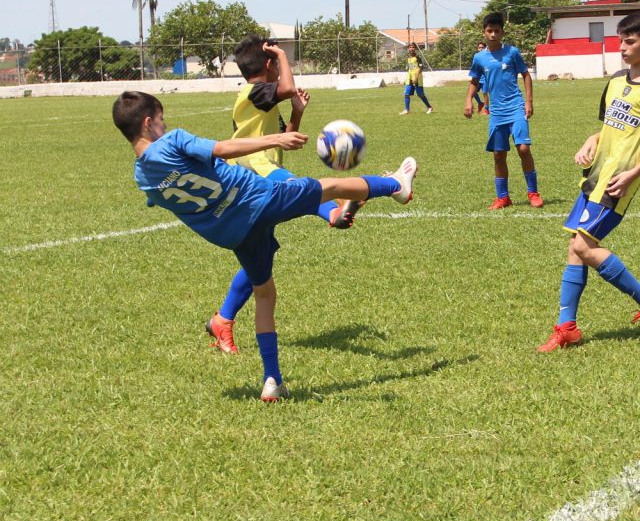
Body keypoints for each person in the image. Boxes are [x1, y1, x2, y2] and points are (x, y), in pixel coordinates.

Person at [112, 91, 417, 401]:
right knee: (329, 186)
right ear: (149, 123)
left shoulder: (142, 177)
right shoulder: (172, 141)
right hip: (254, 200)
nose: (165, 125)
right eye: (161, 120)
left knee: (265, 294)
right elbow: (222, 148)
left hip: (231, 232)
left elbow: (161, 192)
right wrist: (275, 140)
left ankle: (273, 380)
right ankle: (396, 186)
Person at [207, 35, 362, 356]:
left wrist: (297, 111)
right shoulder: (254, 92)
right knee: (298, 188)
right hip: (253, 172)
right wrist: (280, 54)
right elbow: (288, 86)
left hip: (257, 173)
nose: (281, 68)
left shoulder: (263, 100)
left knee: (260, 259)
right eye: (276, 62)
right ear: (268, 64)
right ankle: (335, 213)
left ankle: (221, 320)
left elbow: (287, 135)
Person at [538, 11, 640, 352]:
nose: (623, 48)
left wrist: (631, 175)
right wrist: (591, 140)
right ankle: (567, 327)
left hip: (618, 183)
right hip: (595, 176)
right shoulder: (614, 80)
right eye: (620, 41)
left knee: (583, 246)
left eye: (630, 41)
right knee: (574, 248)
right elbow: (608, 126)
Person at [465, 12, 543, 209]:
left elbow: (526, 75)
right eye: (489, 31)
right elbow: (474, 80)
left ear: (502, 33)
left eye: (496, 31)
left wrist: (528, 102)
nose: (493, 34)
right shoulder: (479, 58)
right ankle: (503, 197)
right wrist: (468, 100)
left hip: (516, 107)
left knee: (523, 149)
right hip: (496, 112)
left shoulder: (512, 52)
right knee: (498, 154)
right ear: (484, 32)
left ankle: (533, 193)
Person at [400, 43, 433, 115]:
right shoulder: (408, 58)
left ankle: (429, 107)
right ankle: (407, 110)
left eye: (413, 47)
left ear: (415, 49)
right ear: (408, 49)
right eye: (410, 47)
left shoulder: (418, 57)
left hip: (417, 78)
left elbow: (421, 68)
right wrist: (405, 80)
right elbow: (409, 70)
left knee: (420, 94)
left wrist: (416, 77)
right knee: (406, 94)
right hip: (410, 79)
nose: (411, 48)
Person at [473, 41, 490, 115]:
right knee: (473, 92)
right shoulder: (476, 56)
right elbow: (474, 68)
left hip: (485, 78)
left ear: (485, 48)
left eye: (482, 47)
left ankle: (486, 109)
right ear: (477, 49)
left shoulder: (488, 56)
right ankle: (480, 103)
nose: (481, 49)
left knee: (485, 93)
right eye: (479, 47)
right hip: (478, 78)